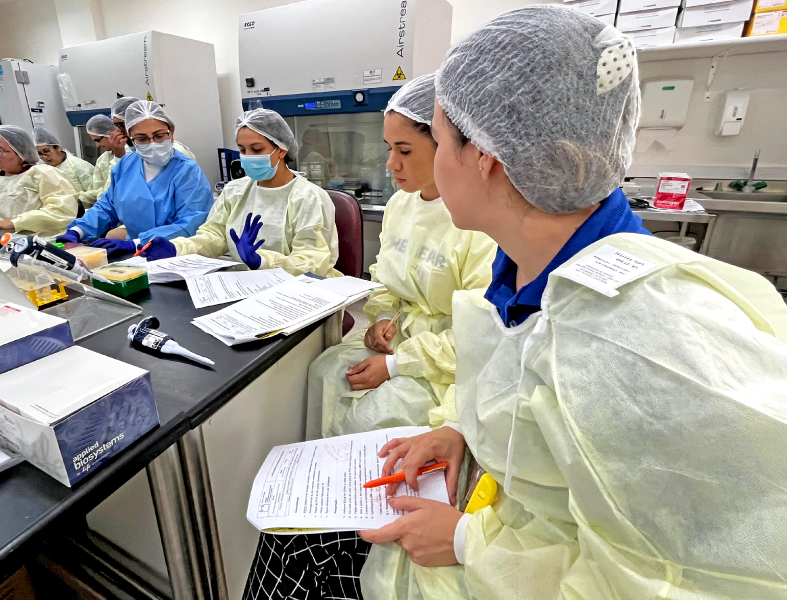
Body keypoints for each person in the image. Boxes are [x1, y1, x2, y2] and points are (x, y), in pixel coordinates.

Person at [357, 7, 787, 600]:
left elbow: (661, 583)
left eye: (437, 139)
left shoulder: (634, 346)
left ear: (485, 155)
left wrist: (467, 543)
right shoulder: (538, 267)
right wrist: (463, 431)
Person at [305, 74, 496, 441]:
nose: (390, 164)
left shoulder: (478, 219)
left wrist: (396, 365)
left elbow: (480, 333)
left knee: (367, 420)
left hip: (447, 359)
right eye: (389, 148)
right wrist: (381, 320)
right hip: (401, 337)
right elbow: (386, 280)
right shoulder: (399, 204)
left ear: (446, 144)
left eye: (404, 151)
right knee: (326, 372)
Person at [138, 108, 339, 277]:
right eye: (242, 150)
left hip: (298, 291)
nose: (248, 157)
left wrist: (261, 261)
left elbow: (314, 261)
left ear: (281, 150)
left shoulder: (308, 197)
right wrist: (177, 248)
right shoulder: (235, 191)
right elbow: (214, 235)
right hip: (247, 284)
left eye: (257, 149)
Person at [56, 100, 213, 257]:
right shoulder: (125, 165)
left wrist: (136, 243)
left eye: (159, 136)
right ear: (131, 138)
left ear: (170, 132)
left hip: (175, 253)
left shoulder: (187, 171)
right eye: (142, 139)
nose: (152, 144)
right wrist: (78, 230)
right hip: (137, 255)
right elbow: (108, 206)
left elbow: (191, 223)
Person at [111, 96, 197, 161]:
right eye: (116, 125)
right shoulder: (127, 151)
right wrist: (119, 157)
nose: (119, 130)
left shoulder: (178, 152)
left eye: (122, 125)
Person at [32, 126, 95, 212]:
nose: (44, 157)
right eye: (40, 154)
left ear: (58, 147)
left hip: (81, 211)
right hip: (53, 211)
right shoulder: (40, 168)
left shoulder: (78, 166)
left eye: (46, 151)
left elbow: (95, 194)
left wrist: (69, 200)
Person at [81, 114, 127, 209]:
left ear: (109, 134)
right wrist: (76, 199)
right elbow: (98, 190)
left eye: (97, 140)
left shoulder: (129, 153)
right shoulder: (102, 159)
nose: (97, 145)